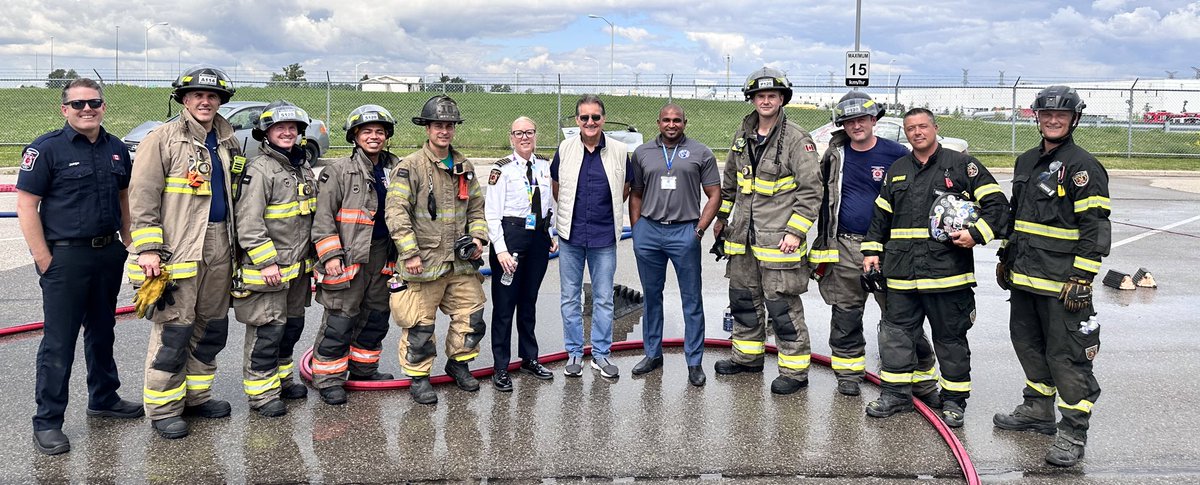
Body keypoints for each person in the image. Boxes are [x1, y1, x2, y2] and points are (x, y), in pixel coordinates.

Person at [17, 78, 143, 455]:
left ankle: (104, 398)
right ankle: (48, 422)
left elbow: (124, 196)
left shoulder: (117, 148)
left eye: (94, 102)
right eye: (78, 104)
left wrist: (129, 241)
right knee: (59, 342)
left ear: (103, 106)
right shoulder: (46, 149)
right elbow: (26, 205)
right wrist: (44, 260)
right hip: (66, 258)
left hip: (107, 254)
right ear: (65, 109)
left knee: (103, 331)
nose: (87, 109)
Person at [861, 108, 1009, 428]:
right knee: (897, 337)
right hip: (901, 273)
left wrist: (977, 234)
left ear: (935, 128)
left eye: (923, 126)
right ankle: (895, 395)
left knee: (950, 339)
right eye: (911, 128)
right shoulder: (897, 169)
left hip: (947, 274)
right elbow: (880, 217)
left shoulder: (960, 165)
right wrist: (871, 250)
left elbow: (998, 207)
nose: (917, 132)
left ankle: (954, 401)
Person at [993, 85, 1109, 467]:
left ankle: (1073, 432)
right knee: (1027, 345)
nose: (1053, 120)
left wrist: (1084, 276)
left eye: (1061, 115)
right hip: (1025, 278)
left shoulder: (1083, 167)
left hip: (1064, 285)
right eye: (1046, 115)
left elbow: (1094, 225)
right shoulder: (1026, 161)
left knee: (1068, 357)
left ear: (1074, 119)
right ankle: (1037, 410)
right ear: (1037, 118)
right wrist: (1006, 256)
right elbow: (1018, 217)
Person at [128, 65, 241, 439]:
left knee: (211, 328)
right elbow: (142, 198)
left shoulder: (228, 141)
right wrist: (148, 249)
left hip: (221, 242)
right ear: (184, 99)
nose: (205, 101)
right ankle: (163, 408)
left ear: (221, 101)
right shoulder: (160, 139)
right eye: (198, 96)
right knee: (174, 329)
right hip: (177, 249)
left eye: (212, 96)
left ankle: (196, 397)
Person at [809, 91, 941, 402]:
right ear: (843, 124)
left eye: (862, 119)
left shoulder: (896, 154)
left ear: (874, 120)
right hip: (844, 246)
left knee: (900, 317)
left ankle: (922, 381)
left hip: (887, 249)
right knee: (846, 315)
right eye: (849, 121)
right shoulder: (834, 156)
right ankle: (848, 374)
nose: (856, 125)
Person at [711, 67, 822, 395]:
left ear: (782, 99)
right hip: (742, 239)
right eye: (760, 96)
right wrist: (722, 219)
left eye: (772, 95)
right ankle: (747, 359)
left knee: (782, 308)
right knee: (744, 301)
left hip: (779, 242)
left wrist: (795, 232)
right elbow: (731, 180)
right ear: (752, 99)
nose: (766, 101)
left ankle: (794, 372)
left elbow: (811, 190)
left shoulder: (796, 139)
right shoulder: (742, 133)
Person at [386, 95, 489, 404]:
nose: (444, 131)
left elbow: (477, 210)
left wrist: (479, 239)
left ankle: (459, 365)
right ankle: (419, 378)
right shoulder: (410, 167)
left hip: (459, 264)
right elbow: (396, 213)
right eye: (438, 125)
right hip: (423, 264)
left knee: (472, 317)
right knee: (420, 325)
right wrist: (410, 253)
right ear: (427, 128)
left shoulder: (464, 167)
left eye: (449, 125)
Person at [231, 100, 318, 416]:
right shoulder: (259, 169)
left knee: (291, 328)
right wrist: (266, 261)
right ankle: (262, 394)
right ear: (265, 133)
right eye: (279, 128)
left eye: (292, 128)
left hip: (297, 271)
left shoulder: (301, 167)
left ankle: (282, 380)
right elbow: (248, 221)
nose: (287, 133)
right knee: (266, 331)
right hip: (269, 270)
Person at [309, 104, 400, 405]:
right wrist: (330, 255)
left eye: (379, 132)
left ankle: (363, 370)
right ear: (355, 136)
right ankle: (328, 377)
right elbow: (323, 217)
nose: (374, 137)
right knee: (341, 317)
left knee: (376, 316)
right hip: (348, 255)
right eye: (367, 132)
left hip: (383, 254)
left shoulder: (396, 169)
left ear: (386, 136)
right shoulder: (338, 171)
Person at [628, 103, 720, 387]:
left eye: (677, 120)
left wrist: (700, 230)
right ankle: (652, 354)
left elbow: (714, 193)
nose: (671, 124)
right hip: (650, 233)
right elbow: (636, 193)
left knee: (691, 300)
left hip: (685, 232)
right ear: (658, 122)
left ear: (685, 122)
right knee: (652, 297)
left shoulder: (701, 152)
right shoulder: (643, 153)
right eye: (666, 120)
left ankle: (694, 362)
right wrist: (638, 229)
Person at [551, 94, 632, 379]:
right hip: (571, 237)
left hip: (604, 237)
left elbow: (626, 187)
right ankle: (574, 352)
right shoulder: (565, 148)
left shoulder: (620, 151)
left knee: (603, 298)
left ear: (603, 119)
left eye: (595, 117)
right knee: (570, 298)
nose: (589, 122)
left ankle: (600, 354)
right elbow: (557, 186)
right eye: (584, 117)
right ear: (577, 120)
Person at [484, 117, 556, 392]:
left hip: (537, 237)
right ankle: (501, 367)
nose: (524, 137)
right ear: (511, 137)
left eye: (529, 132)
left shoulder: (545, 166)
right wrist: (500, 250)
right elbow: (491, 213)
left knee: (529, 302)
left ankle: (529, 357)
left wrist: (550, 233)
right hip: (510, 237)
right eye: (518, 133)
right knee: (505, 306)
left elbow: (547, 204)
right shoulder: (501, 169)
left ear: (536, 135)